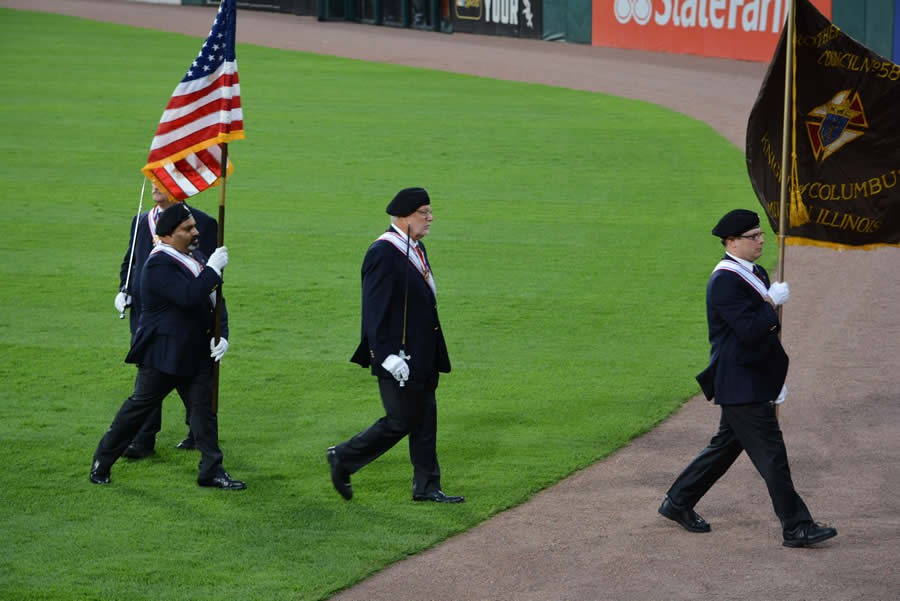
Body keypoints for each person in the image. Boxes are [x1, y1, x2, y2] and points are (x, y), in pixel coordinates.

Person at [658, 209, 836, 547]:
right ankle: (796, 526)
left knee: (725, 446)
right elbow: (751, 330)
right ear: (731, 242)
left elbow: (765, 333)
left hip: (752, 378)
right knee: (773, 457)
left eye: (760, 234)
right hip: (740, 383)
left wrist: (773, 378)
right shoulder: (724, 281)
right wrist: (770, 302)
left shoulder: (755, 272)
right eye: (753, 236)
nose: (761, 240)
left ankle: (678, 501)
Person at [91, 203, 245, 490]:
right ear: (168, 234)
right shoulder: (158, 264)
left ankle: (211, 469)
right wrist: (212, 270)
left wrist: (222, 334)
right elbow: (189, 296)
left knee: (203, 414)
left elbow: (215, 301)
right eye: (187, 228)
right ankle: (103, 460)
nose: (195, 231)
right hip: (163, 355)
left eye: (193, 226)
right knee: (138, 410)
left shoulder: (193, 257)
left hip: (196, 351)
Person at [327, 187, 463, 503]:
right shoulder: (382, 252)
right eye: (423, 213)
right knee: (400, 420)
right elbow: (374, 309)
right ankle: (343, 457)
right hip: (398, 357)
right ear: (404, 217)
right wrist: (385, 355)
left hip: (423, 352)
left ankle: (427, 486)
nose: (430, 218)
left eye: (430, 212)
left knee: (426, 419)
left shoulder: (415, 248)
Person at [114, 182, 218, 458]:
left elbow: (207, 272)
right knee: (148, 374)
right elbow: (131, 260)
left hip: (183, 316)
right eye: (153, 180)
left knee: (186, 378)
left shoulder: (203, 223)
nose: (154, 186)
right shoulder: (140, 220)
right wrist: (123, 289)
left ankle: (197, 433)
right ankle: (143, 439)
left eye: (162, 180)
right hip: (145, 312)